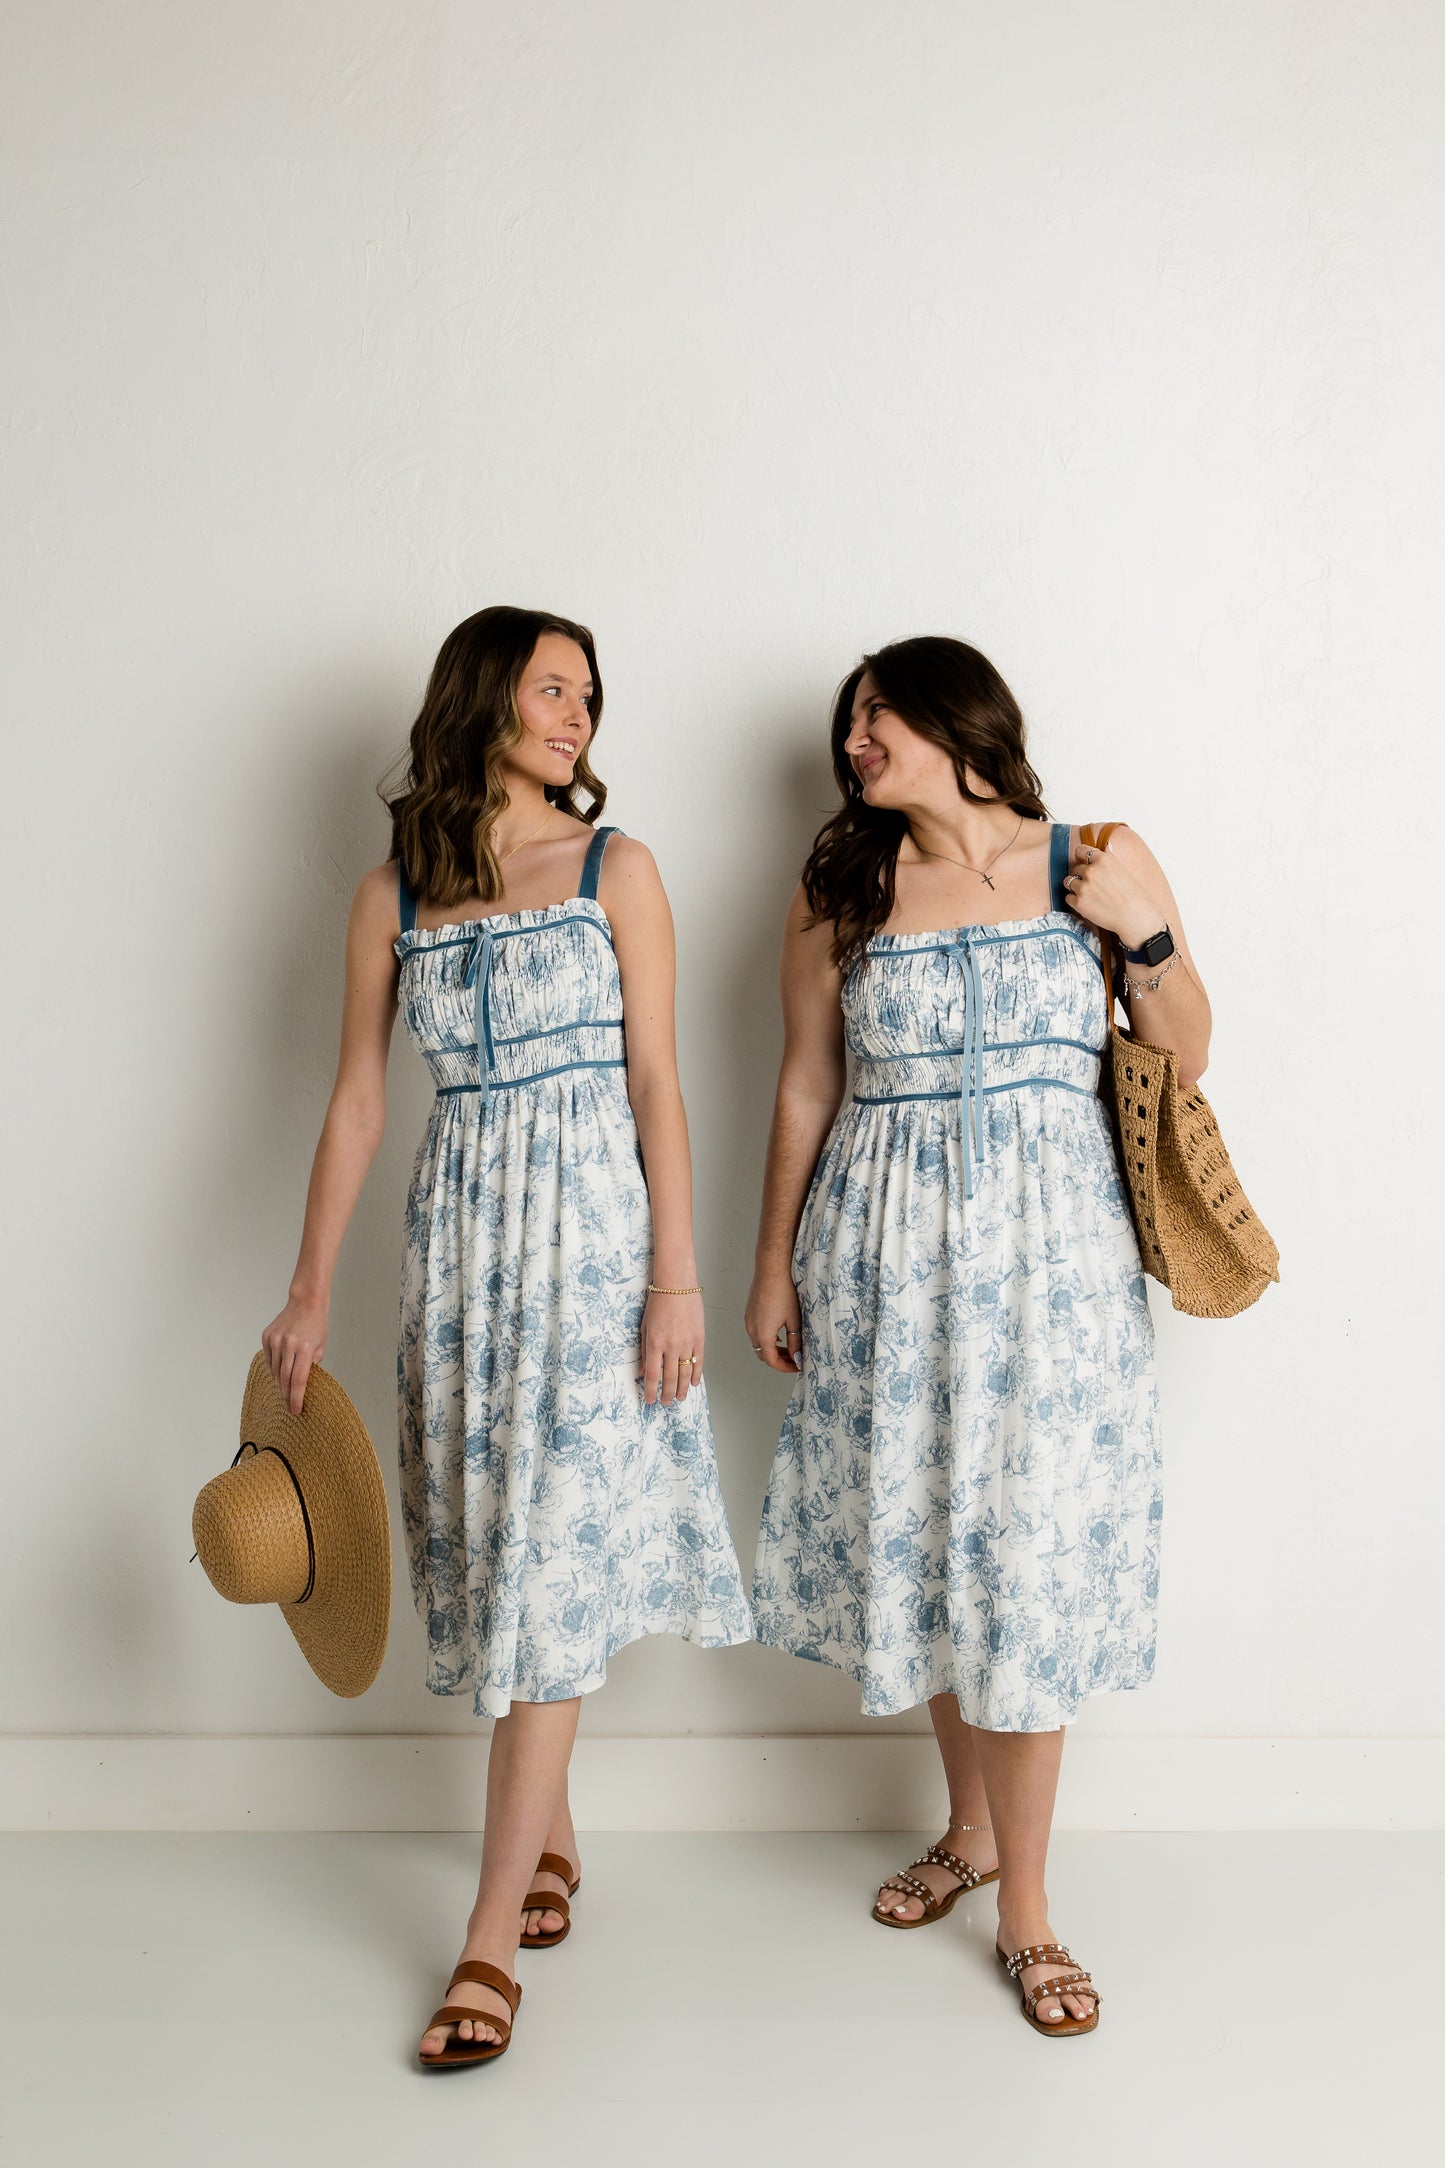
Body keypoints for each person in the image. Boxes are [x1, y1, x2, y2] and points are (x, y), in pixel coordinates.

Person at [262, 605, 751, 2068]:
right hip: (461, 1252)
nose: (577, 715)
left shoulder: (618, 868)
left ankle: (485, 1942)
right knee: (491, 1544)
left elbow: (661, 1085)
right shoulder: (391, 896)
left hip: (595, 1250)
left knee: (547, 1556)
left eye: (589, 695)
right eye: (552, 688)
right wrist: (306, 1287)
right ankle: (552, 1837)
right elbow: (357, 1104)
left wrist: (676, 1279)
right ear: (481, 698)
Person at [745, 636, 1209, 2037]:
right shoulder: (843, 888)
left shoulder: (1094, 859)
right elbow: (803, 1088)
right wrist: (770, 1263)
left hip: (1050, 1270)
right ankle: (970, 1830)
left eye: (880, 715)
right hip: (882, 1261)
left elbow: (1185, 1050)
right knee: (938, 1544)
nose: (856, 741)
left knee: (1025, 1559)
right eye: (848, 724)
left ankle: (1027, 1912)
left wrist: (1144, 932)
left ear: (962, 720)